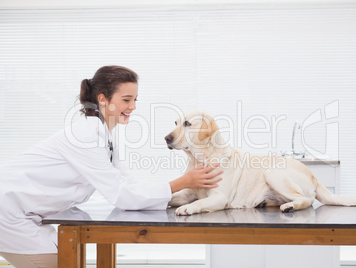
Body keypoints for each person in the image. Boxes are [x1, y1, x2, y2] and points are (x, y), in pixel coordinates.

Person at [0, 65, 222, 268]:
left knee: (71, 261)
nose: (133, 106)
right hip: (9, 212)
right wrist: (184, 182)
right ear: (103, 99)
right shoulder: (86, 135)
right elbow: (122, 194)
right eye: (126, 100)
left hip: (25, 214)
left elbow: (127, 183)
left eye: (135, 99)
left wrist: (181, 189)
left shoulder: (101, 134)